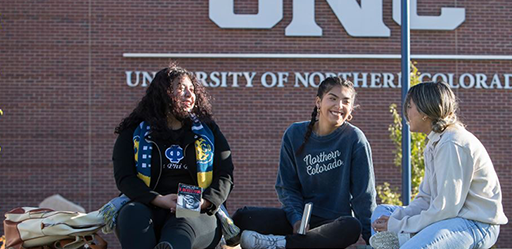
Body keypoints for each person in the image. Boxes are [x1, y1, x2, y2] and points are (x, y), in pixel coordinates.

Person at [232, 76, 377, 249]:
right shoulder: (294, 134)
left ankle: (281, 244)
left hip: (333, 225)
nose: (339, 106)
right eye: (332, 98)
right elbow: (287, 187)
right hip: (299, 220)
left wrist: (372, 239)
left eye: (346, 101)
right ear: (318, 102)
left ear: (351, 108)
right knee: (244, 216)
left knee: (352, 226)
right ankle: (297, 243)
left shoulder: (355, 139)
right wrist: (297, 219)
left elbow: (364, 196)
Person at [369, 81, 507, 249]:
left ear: (424, 111)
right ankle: (404, 240)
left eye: (410, 106)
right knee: (382, 213)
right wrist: (395, 219)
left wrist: (398, 225)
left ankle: (407, 241)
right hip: (448, 219)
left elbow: (445, 209)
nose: (406, 113)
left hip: (475, 224)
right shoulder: (435, 143)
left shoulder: (452, 143)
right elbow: (426, 199)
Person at [112, 64, 234, 249]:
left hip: (197, 209)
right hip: (147, 203)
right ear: (163, 92)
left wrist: (205, 201)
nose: (189, 95)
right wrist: (158, 199)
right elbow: (125, 178)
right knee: (132, 215)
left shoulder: (209, 131)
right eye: (181, 88)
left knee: (182, 226)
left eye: (192, 90)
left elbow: (225, 174)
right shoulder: (133, 131)